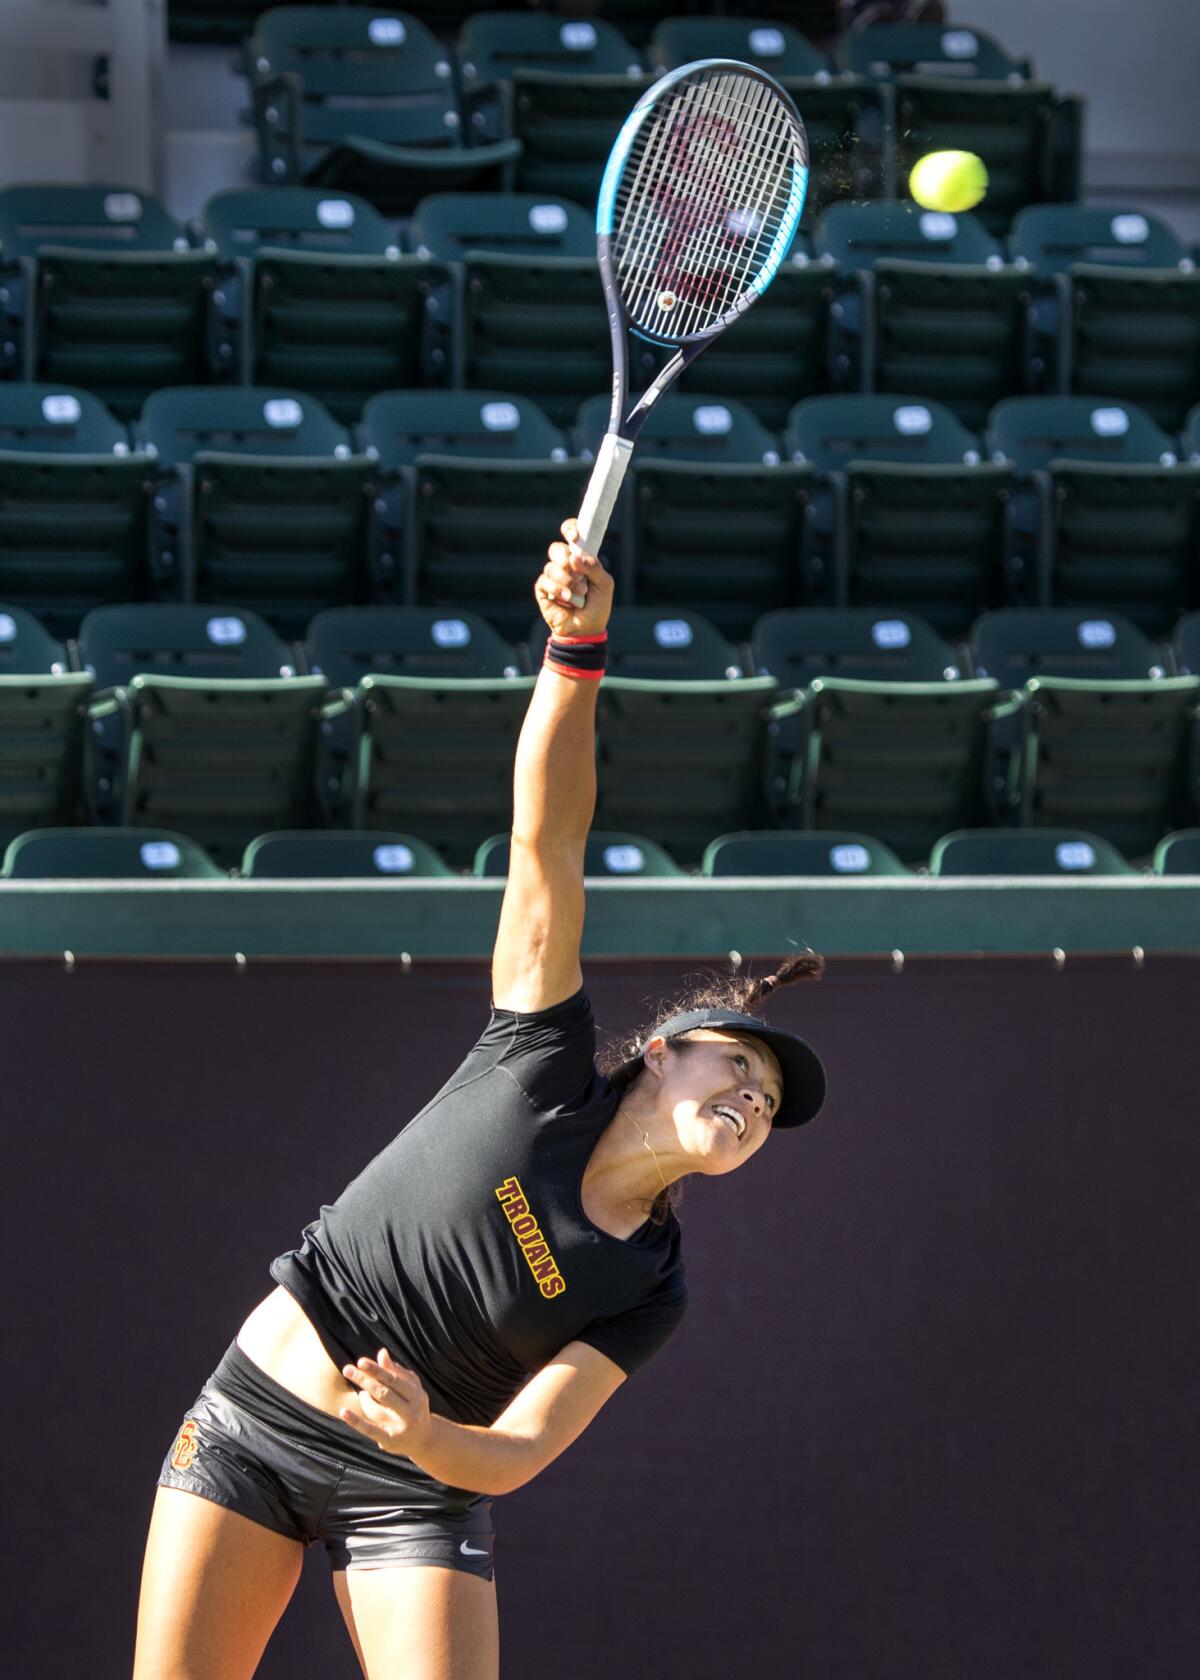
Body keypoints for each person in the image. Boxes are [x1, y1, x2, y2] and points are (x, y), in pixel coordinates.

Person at [131, 519, 828, 1680]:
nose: (753, 1101)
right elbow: (548, 836)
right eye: (738, 1066)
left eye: (768, 1107)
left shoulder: (650, 1289)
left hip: (419, 1477)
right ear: (661, 1051)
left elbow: (516, 1450)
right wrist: (577, 654)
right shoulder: (537, 1060)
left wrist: (425, 1436)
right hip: (254, 1424)